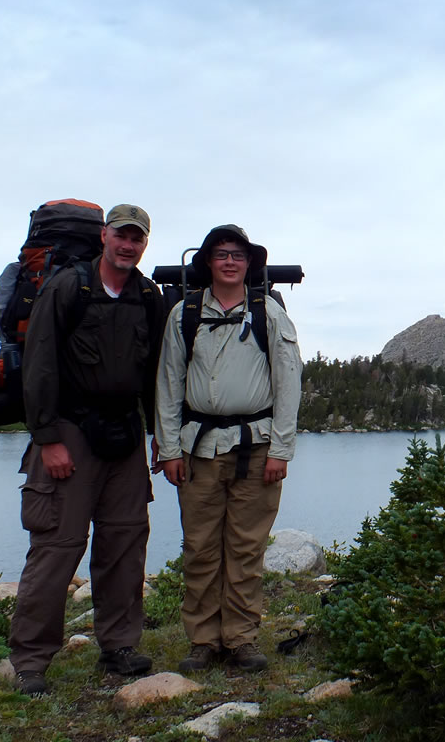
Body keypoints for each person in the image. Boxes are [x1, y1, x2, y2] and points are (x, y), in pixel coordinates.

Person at [9, 204, 165, 696]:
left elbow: (158, 371)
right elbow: (39, 366)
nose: (128, 244)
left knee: (124, 543)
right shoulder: (66, 287)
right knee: (57, 547)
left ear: (144, 244)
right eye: (121, 234)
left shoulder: (147, 295)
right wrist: (48, 438)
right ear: (104, 235)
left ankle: (119, 645)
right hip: (70, 432)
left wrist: (162, 432)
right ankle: (31, 660)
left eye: (137, 238)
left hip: (125, 434)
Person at [154, 224, 301, 673]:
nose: (231, 261)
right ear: (209, 262)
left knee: (245, 548)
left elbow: (288, 382)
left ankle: (240, 639)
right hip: (197, 449)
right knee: (199, 547)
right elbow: (168, 382)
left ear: (249, 262)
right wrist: (169, 448)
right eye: (222, 254)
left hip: (255, 448)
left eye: (239, 254)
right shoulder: (184, 313)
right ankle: (202, 640)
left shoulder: (268, 313)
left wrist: (282, 449)